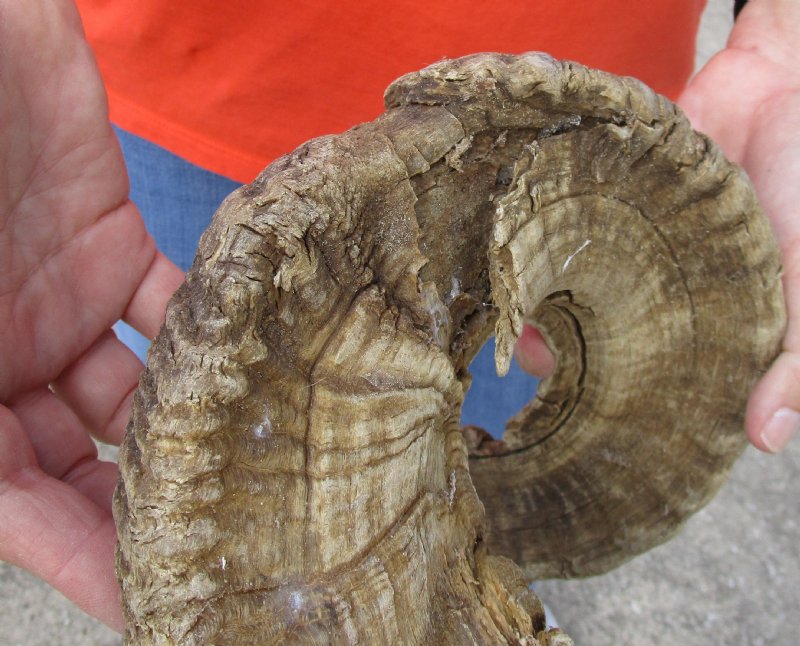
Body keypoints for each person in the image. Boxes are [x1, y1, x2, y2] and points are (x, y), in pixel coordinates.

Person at [0, 0, 797, 633]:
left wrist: (781, 40)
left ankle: (465, 587)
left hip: (575, 181)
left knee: (480, 432)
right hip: (153, 104)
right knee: (216, 476)